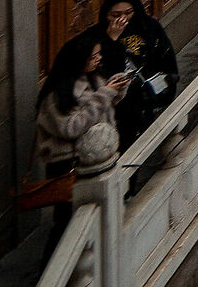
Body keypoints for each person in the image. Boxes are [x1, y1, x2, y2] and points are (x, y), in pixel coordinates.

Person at [30, 36, 128, 243]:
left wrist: (116, 89)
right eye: (94, 56)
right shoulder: (56, 95)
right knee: (67, 222)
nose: (99, 59)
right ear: (79, 59)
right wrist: (104, 94)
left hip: (97, 158)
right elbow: (70, 127)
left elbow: (105, 107)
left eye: (98, 54)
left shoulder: (93, 78)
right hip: (68, 164)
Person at [84, 0, 178, 148]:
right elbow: (99, 67)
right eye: (116, 15)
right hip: (117, 102)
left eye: (128, 13)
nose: (123, 19)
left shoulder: (148, 26)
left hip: (149, 92)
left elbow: (165, 56)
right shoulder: (95, 36)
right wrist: (112, 38)